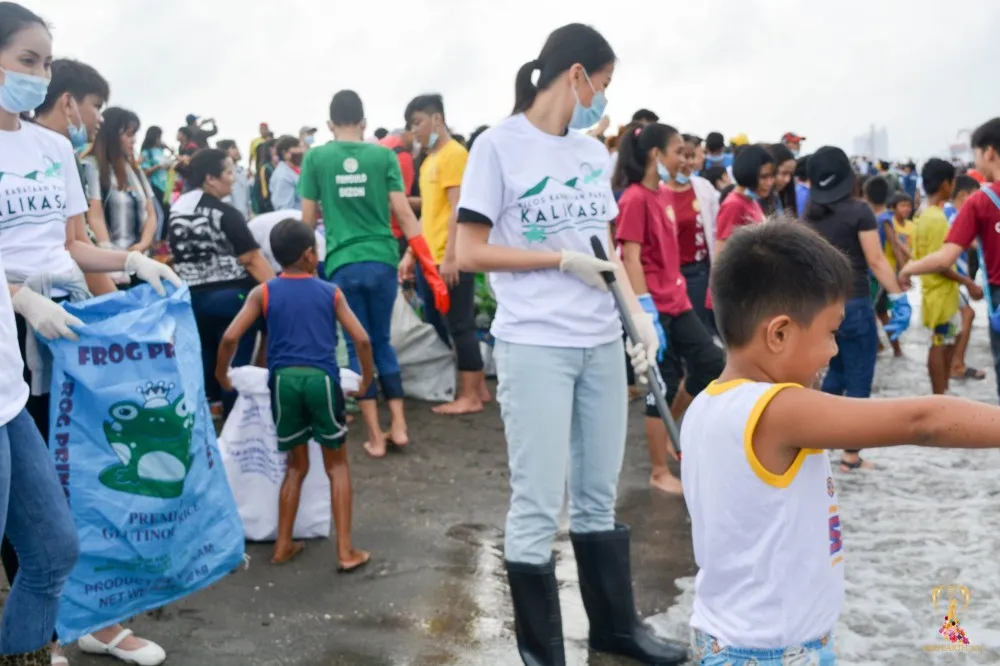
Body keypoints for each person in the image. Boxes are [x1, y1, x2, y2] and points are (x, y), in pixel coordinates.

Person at [454, 23, 687, 666]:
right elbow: (467, 251)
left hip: (600, 338)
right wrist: (557, 261)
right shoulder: (497, 147)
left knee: (597, 491)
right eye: (604, 85)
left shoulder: (589, 155)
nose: (603, 99)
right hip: (535, 345)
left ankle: (614, 630)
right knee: (536, 499)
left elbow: (605, 247)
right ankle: (542, 654)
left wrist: (637, 317)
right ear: (577, 75)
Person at [682, 218, 1000, 666]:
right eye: (831, 333)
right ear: (778, 334)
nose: (834, 350)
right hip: (768, 653)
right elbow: (922, 420)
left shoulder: (706, 406)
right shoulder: (776, 410)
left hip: (733, 638)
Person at [0, 6, 180, 663]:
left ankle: (73, 626)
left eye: (46, 63)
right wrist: (18, 298)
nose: (40, 76)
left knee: (84, 485)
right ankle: (46, 634)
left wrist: (131, 264)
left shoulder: (53, 151)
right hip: (14, 334)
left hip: (63, 330)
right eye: (28, 60)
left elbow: (76, 245)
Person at [298, 89, 450, 459]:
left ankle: (375, 436)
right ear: (364, 122)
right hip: (382, 258)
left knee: (354, 347)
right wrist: (425, 260)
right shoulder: (383, 155)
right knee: (382, 341)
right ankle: (399, 424)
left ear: (330, 124)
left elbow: (305, 222)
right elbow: (404, 212)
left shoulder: (316, 158)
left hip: (341, 263)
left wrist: (306, 271)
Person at [217, 219, 374, 571]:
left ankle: (283, 544)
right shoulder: (330, 292)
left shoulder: (264, 292)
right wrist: (366, 380)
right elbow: (362, 339)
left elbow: (230, 338)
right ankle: (346, 551)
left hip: (283, 383)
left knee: (295, 465)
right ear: (308, 254)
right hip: (321, 380)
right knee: (337, 466)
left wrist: (221, 376)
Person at [614, 121, 724, 495]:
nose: (684, 158)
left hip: (677, 300)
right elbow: (629, 257)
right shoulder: (632, 199)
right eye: (678, 151)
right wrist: (643, 311)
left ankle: (671, 429)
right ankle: (659, 469)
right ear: (655, 154)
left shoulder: (661, 194)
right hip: (654, 306)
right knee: (658, 385)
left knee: (711, 362)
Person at [800, 146, 911, 473]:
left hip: (820, 309)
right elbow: (876, 261)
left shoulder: (808, 217)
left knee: (834, 373)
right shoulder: (859, 211)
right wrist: (898, 297)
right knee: (860, 378)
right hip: (856, 304)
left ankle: (811, 440)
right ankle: (850, 456)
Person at [167, 148, 275, 415]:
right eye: (228, 172)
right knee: (235, 368)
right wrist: (279, 291)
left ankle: (210, 424)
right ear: (210, 179)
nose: (234, 178)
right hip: (232, 300)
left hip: (192, 300)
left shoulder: (178, 210)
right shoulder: (225, 212)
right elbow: (251, 259)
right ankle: (238, 423)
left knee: (206, 360)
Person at [900, 117, 1000, 401]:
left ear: (988, 152)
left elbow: (945, 257)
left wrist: (908, 268)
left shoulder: (979, 202)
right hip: (943, 295)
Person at [403, 93, 489, 415]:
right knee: (443, 321)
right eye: (411, 126)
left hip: (448, 257)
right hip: (431, 256)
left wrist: (453, 255)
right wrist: (412, 254)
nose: (415, 132)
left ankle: (470, 396)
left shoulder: (454, 155)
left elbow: (458, 210)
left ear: (436, 119)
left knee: (460, 325)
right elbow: (429, 214)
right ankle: (477, 386)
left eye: (418, 123)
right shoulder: (428, 162)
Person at [31, 57, 117, 297]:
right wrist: (117, 306)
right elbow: (75, 244)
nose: (101, 118)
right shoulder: (57, 155)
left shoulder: (66, 154)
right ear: (68, 103)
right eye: (97, 106)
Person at [912, 159, 981, 395]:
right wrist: (968, 282)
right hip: (941, 291)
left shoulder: (923, 214)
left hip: (935, 291)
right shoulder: (937, 219)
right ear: (945, 184)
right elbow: (941, 263)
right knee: (940, 343)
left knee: (946, 339)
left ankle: (942, 392)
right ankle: (939, 394)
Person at [82, 107, 158, 258]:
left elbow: (151, 214)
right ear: (111, 135)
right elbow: (95, 217)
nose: (134, 140)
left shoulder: (135, 171)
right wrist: (110, 257)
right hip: (108, 263)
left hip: (140, 260)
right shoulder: (91, 166)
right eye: (129, 134)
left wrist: (143, 245)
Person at [945, 174, 986, 380]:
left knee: (958, 321)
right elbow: (970, 242)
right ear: (963, 196)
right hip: (954, 279)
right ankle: (956, 365)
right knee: (967, 315)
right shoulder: (956, 216)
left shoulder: (949, 212)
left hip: (956, 279)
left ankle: (953, 363)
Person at [863, 176, 903, 357]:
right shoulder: (876, 217)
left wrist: (902, 270)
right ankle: (883, 346)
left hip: (879, 273)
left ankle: (894, 349)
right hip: (874, 272)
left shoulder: (882, 219)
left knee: (877, 312)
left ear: (867, 196)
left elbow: (895, 244)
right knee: (878, 312)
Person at [713, 144, 773, 256]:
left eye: (771, 177)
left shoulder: (751, 200)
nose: (769, 183)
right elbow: (721, 253)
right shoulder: (734, 205)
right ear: (748, 173)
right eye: (764, 177)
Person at [378, 128, 417, 256]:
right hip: (399, 232)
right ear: (405, 135)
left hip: (382, 230)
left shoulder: (380, 152)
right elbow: (398, 202)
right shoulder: (402, 157)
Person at [139, 125, 175, 230]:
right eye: (159, 137)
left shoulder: (160, 152)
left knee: (167, 213)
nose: (160, 140)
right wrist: (158, 166)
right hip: (154, 186)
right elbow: (144, 172)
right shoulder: (147, 153)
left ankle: (162, 242)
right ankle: (156, 241)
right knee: (160, 214)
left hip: (165, 188)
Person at [216, 139, 251, 219]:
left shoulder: (241, 171)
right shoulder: (223, 173)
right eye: (233, 148)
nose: (237, 151)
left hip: (245, 216)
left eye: (237, 148)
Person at [269, 135, 303, 212]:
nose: (300, 151)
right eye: (297, 148)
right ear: (285, 154)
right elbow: (285, 210)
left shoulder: (294, 171)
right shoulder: (283, 176)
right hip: (296, 220)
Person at [762, 144, 796, 216]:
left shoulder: (778, 198)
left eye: (791, 174)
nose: (788, 180)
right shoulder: (756, 201)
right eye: (784, 173)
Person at [251, 138, 275, 214]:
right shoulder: (265, 168)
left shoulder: (274, 167)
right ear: (270, 149)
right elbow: (265, 194)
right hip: (268, 210)